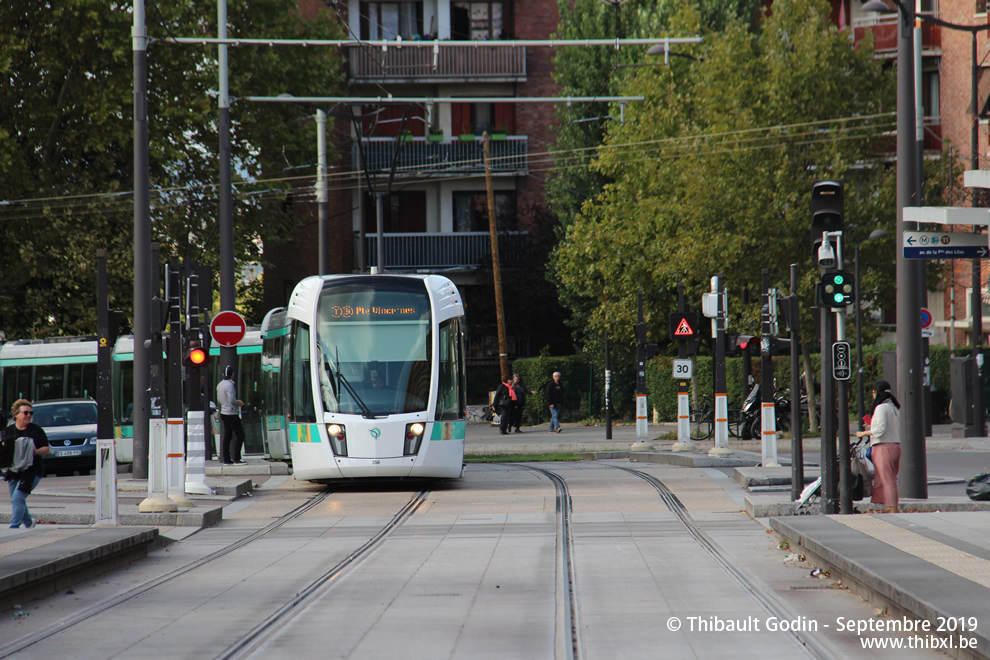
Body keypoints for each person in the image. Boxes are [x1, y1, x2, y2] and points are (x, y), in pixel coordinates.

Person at [3, 399, 51, 529]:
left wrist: (35, 451)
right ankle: (29, 522)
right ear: (16, 415)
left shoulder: (36, 430)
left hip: (32, 471)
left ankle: (14, 526)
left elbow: (46, 449)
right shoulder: (8, 431)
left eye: (31, 413)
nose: (29, 415)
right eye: (25, 413)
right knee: (16, 499)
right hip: (14, 470)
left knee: (17, 499)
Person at [855, 380, 901, 513]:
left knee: (887, 480)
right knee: (886, 478)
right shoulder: (893, 407)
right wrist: (871, 425)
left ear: (876, 393)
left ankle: (892, 507)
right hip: (895, 445)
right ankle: (889, 505)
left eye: (873, 393)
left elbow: (880, 430)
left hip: (883, 447)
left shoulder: (881, 408)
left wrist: (863, 433)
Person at [217, 365, 246, 465]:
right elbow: (232, 400)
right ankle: (237, 458)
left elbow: (219, 400)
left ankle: (226, 458)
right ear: (232, 374)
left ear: (223, 374)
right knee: (240, 435)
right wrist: (239, 402)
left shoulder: (220, 385)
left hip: (223, 412)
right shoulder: (230, 385)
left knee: (227, 436)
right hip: (231, 413)